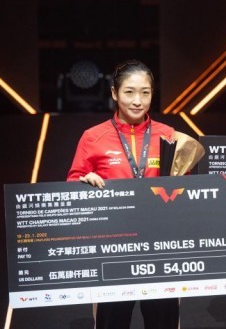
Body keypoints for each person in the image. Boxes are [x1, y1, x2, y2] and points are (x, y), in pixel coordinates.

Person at [67, 59, 179, 329]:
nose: (138, 101)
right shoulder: (93, 136)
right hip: (113, 250)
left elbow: (184, 187)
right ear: (115, 93)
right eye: (129, 92)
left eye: (145, 93)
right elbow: (72, 185)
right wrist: (84, 182)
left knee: (163, 322)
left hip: (160, 248)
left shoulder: (169, 135)